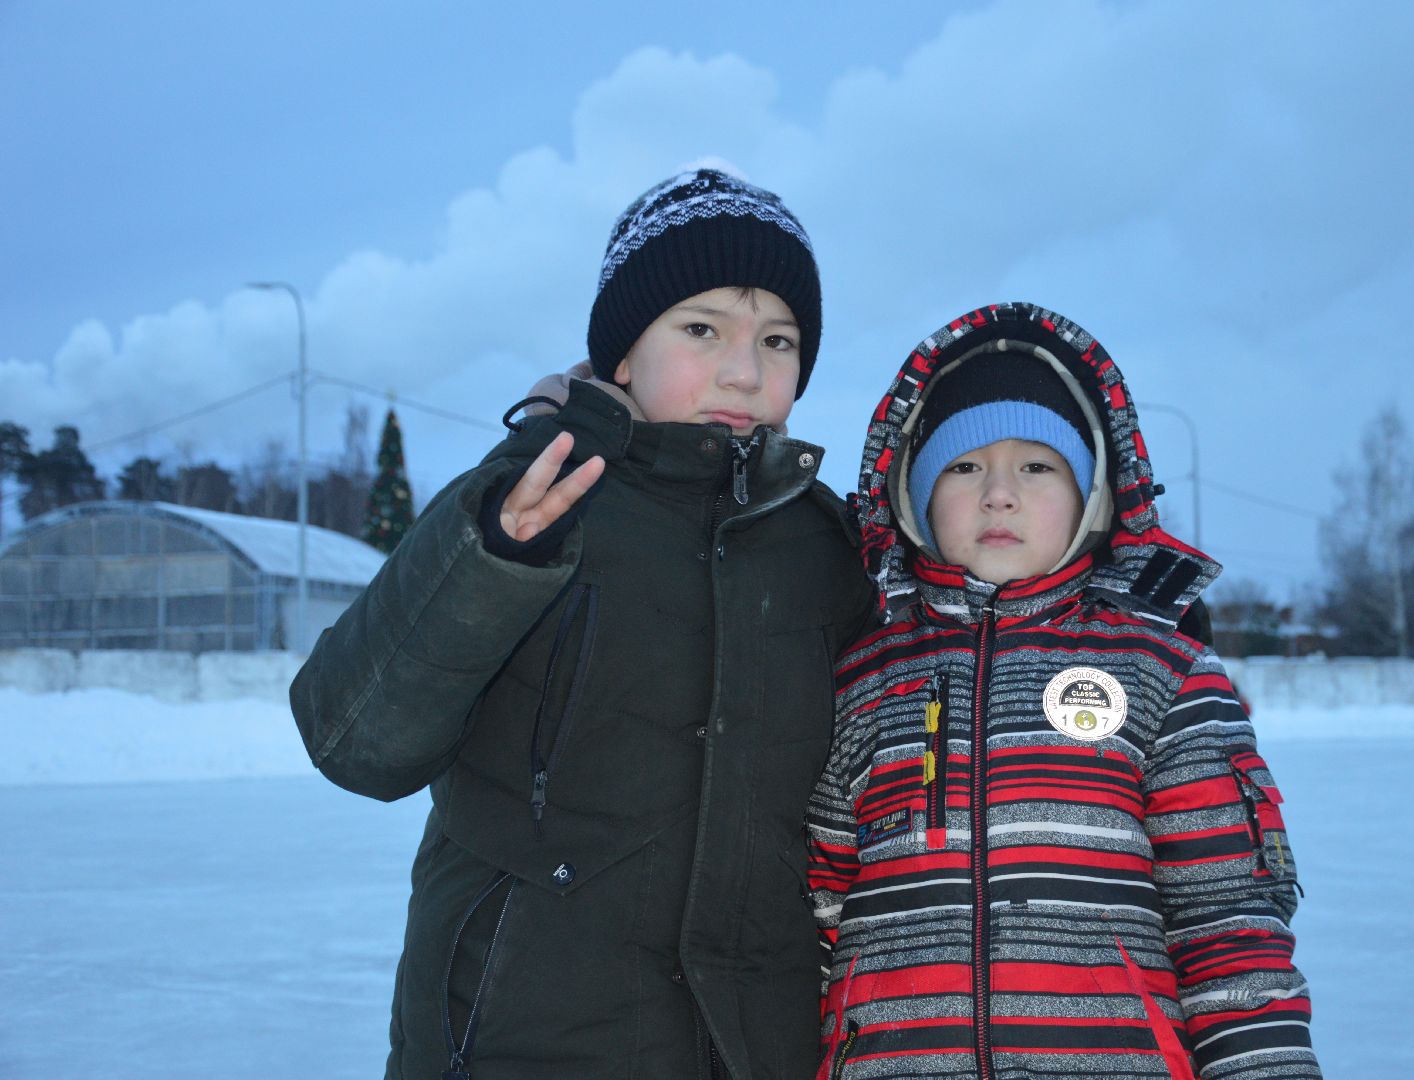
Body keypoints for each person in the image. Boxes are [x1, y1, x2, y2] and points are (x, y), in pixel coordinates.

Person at [290, 169, 870, 1079]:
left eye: (779, 339)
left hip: (760, 1042)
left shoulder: (828, 552)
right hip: (520, 1036)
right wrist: (492, 561)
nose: (746, 371)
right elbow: (354, 742)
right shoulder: (529, 499)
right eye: (701, 329)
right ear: (622, 353)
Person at [806, 302, 1319, 1079]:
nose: (999, 494)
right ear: (913, 496)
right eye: (963, 466)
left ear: (1092, 495)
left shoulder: (1163, 673)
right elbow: (815, 913)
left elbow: (1227, 927)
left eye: (1037, 467)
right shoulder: (861, 677)